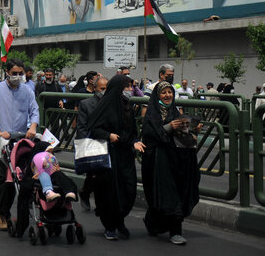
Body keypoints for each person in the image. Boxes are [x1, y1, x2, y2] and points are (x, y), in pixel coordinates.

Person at [141, 81, 201, 245]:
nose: (167, 95)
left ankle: (153, 222)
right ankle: (175, 231)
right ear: (157, 95)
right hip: (159, 162)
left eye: (170, 92)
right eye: (164, 92)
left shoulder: (175, 112)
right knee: (168, 194)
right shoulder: (152, 114)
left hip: (176, 161)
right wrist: (168, 127)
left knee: (175, 191)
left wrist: (193, 131)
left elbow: (182, 137)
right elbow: (149, 135)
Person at [86, 74, 144, 240]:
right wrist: (109, 135)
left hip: (125, 155)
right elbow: (94, 128)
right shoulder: (105, 106)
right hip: (108, 155)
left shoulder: (128, 107)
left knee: (129, 188)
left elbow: (132, 131)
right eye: (127, 87)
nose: (130, 90)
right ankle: (110, 225)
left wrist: (135, 141)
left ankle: (120, 219)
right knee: (109, 192)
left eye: (131, 87)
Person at [0, 58, 39, 230]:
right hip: (1, 141)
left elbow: (34, 110)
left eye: (20, 73)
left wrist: (32, 127)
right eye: (14, 73)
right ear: (7, 72)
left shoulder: (27, 91)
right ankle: (1, 214)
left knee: (21, 177)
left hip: (21, 141)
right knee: (6, 178)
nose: (17, 76)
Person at [75, 75, 108, 211]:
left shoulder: (112, 102)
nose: (104, 92)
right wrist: (85, 147)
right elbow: (81, 127)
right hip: (92, 143)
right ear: (94, 88)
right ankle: (85, 192)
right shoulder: (86, 104)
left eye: (107, 89)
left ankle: (102, 204)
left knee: (106, 175)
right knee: (94, 175)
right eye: (102, 89)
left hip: (108, 142)